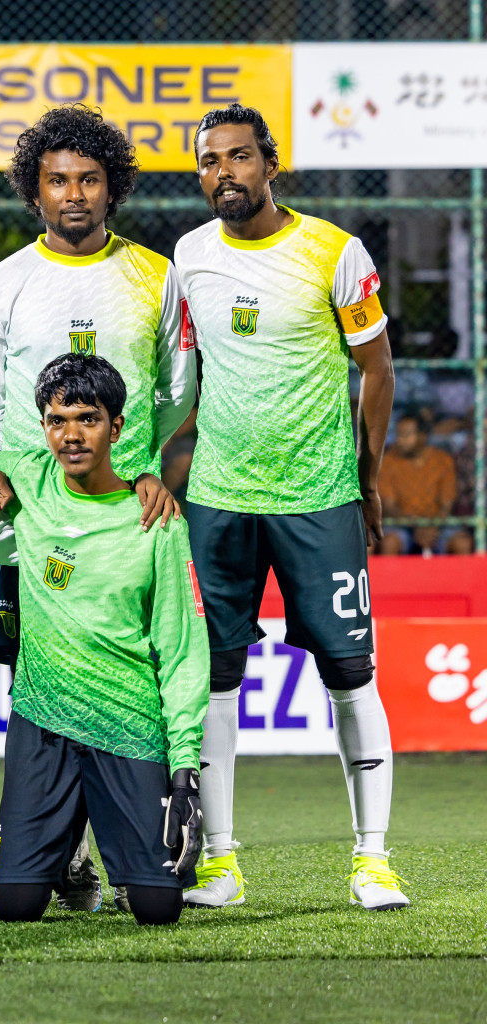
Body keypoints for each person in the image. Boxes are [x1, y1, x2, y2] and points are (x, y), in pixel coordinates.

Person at [0, 105, 199, 909]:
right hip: (37, 512)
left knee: (133, 655)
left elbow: (175, 391)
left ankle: (137, 837)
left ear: (112, 188)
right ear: (35, 192)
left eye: (89, 180)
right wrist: (38, 475)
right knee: (28, 664)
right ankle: (56, 850)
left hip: (131, 511)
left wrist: (132, 469)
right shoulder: (3, 283)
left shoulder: (155, 275)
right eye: (58, 181)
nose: (74, 194)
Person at [176, 103, 405, 910]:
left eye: (239, 157)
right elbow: (182, 379)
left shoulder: (334, 252)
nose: (224, 173)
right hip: (218, 499)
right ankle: (220, 865)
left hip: (318, 498)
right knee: (215, 679)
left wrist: (368, 477)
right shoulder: (189, 256)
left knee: (350, 673)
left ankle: (373, 860)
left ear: (270, 165)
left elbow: (377, 369)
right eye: (210, 161)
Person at [377, 414, 457, 555]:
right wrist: (416, 527)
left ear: (422, 436)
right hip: (402, 525)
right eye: (398, 434)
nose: (400, 440)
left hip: (438, 525)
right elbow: (389, 506)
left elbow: (446, 504)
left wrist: (432, 527)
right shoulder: (388, 462)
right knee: (390, 543)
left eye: (406, 435)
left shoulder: (443, 460)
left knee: (461, 543)